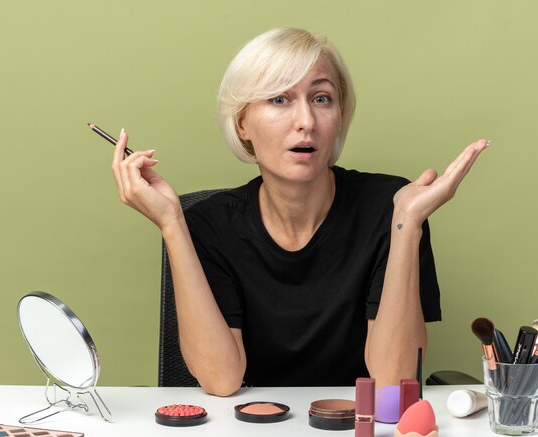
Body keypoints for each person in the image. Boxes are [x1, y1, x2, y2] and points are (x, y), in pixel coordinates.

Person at [111, 28, 488, 396]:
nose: (306, 121)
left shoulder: (391, 207)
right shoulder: (209, 225)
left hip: (354, 423)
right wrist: (172, 223)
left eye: (322, 98)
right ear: (242, 123)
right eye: (279, 99)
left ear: (340, 115)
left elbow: (393, 380)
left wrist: (407, 225)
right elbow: (221, 381)